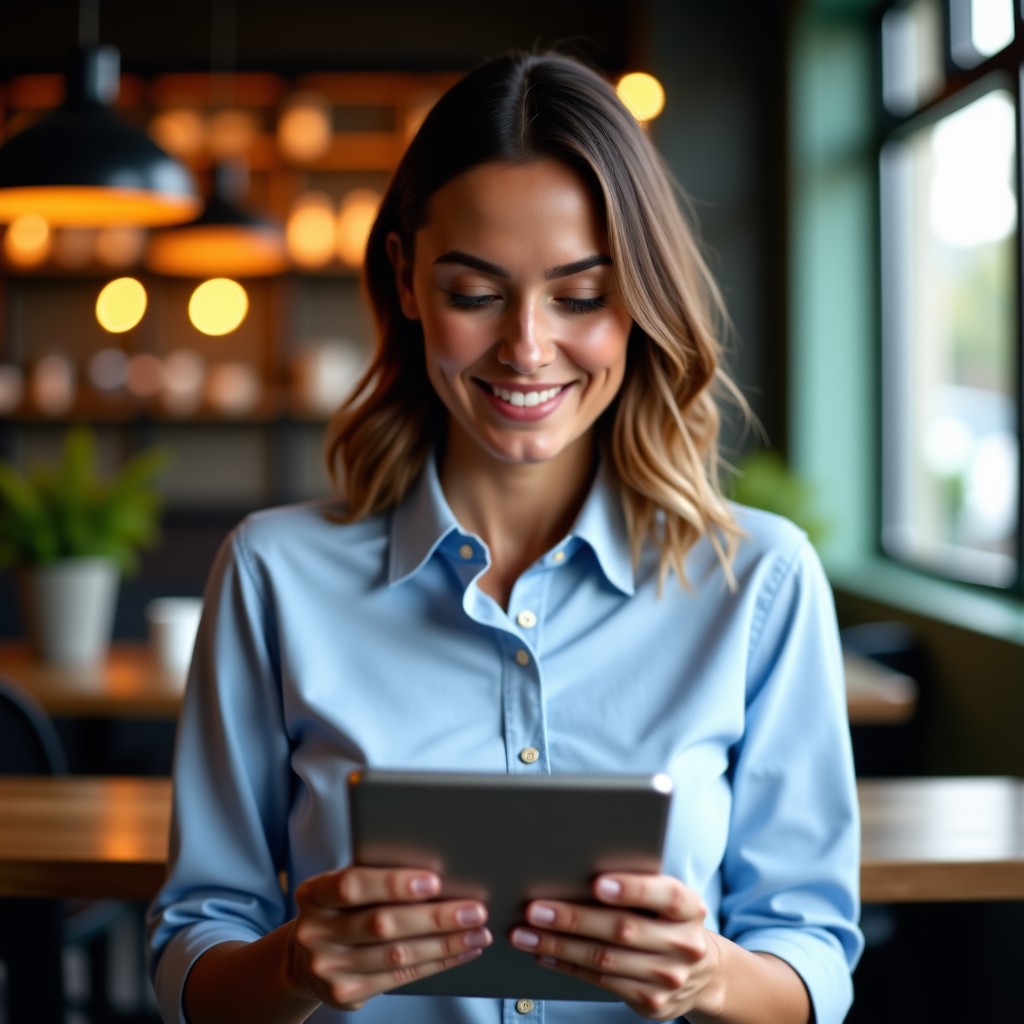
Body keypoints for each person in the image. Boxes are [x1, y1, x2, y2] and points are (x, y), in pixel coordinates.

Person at [147, 49, 863, 1024]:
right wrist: (290, 965)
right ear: (405, 279)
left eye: (579, 294)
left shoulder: (760, 580)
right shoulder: (273, 573)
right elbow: (195, 944)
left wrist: (709, 976)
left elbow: (812, 953)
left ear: (640, 298)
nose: (526, 346)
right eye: (475, 293)